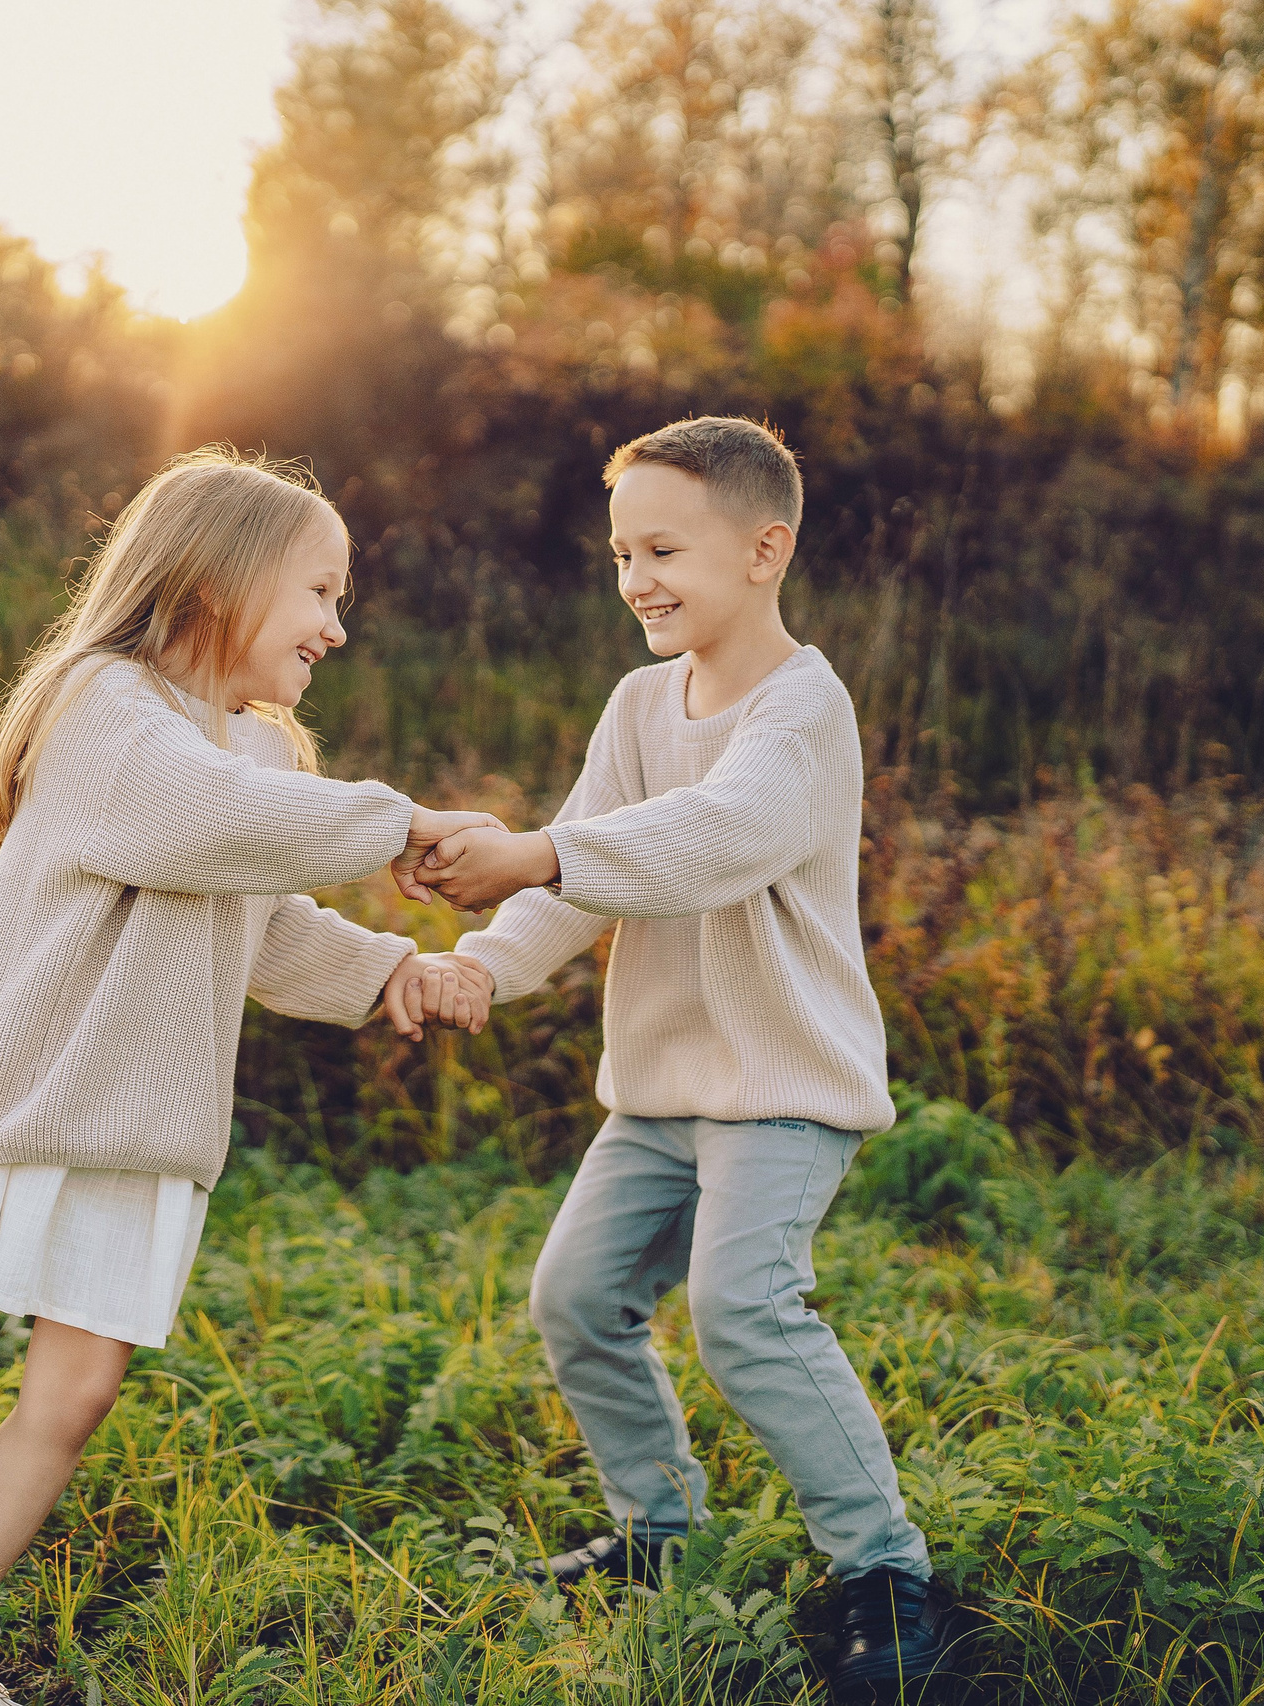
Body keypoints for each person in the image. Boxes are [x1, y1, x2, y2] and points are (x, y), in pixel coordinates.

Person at [0, 447, 497, 1706]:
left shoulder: (267, 761)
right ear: (219, 578)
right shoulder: (101, 706)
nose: (339, 627)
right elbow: (198, 819)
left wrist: (388, 966)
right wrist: (402, 826)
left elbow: (258, 918)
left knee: (71, 1395)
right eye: (321, 592)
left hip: (140, 1125)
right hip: (14, 1104)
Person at [411, 416, 968, 1690]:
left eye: (664, 547)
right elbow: (592, 872)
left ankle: (883, 1574)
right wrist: (480, 963)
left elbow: (720, 834)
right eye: (620, 553)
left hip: (782, 1087)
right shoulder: (637, 701)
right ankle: (655, 1532)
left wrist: (539, 846)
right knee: (575, 1297)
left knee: (742, 1310)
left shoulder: (801, 708)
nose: (637, 579)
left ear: (766, 548)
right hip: (661, 1092)